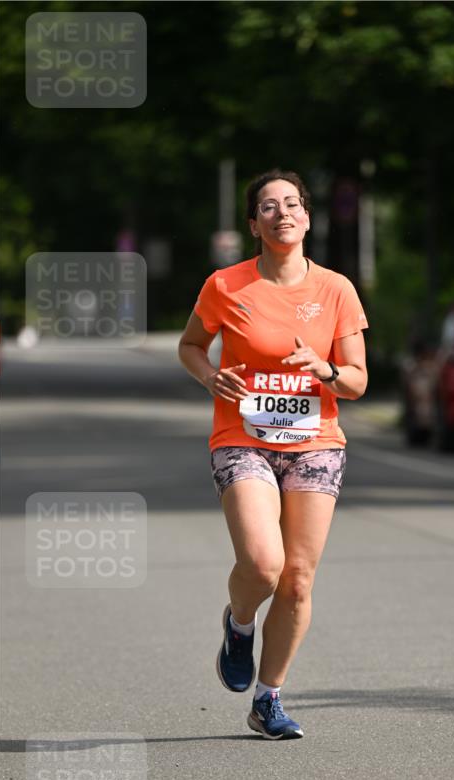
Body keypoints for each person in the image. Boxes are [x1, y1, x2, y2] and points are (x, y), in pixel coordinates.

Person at [178, 168, 368, 740]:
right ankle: (239, 625)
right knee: (264, 564)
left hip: (315, 443)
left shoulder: (336, 289)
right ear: (254, 224)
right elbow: (190, 346)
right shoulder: (226, 286)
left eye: (292, 203)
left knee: (299, 579)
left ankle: (268, 699)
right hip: (243, 438)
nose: (282, 212)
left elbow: (357, 382)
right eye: (268, 206)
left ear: (308, 217)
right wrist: (212, 378)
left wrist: (325, 370)